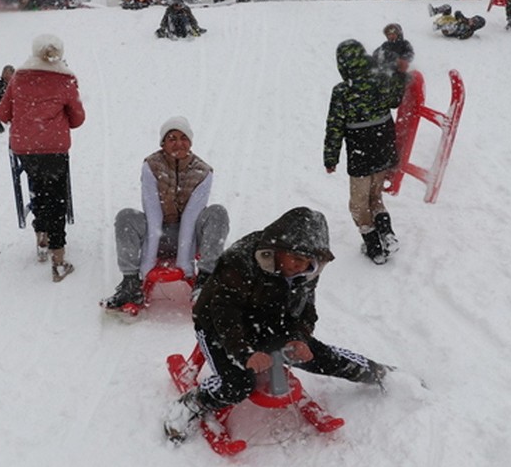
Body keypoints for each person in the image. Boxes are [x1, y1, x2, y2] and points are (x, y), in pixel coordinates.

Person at [163, 207, 389, 443]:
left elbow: (305, 311)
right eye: (297, 259)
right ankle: (193, 403)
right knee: (238, 385)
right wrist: (245, 353)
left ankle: (379, 373)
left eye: (308, 262)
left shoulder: (308, 270)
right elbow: (225, 315)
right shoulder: (240, 259)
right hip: (217, 326)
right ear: (279, 249)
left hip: (270, 323)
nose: (301, 267)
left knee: (320, 356)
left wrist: (299, 338)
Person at [100, 116, 230, 312]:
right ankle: (130, 284)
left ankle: (205, 280)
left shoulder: (203, 171)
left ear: (190, 142)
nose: (178, 143)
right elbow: (152, 211)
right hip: (158, 232)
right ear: (163, 144)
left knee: (217, 212)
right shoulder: (152, 165)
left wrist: (184, 263)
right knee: (126, 216)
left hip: (191, 234)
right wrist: (148, 263)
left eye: (183, 138)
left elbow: (191, 216)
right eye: (172, 138)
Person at [0, 34, 86, 282]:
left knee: (37, 187)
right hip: (54, 148)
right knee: (57, 197)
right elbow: (78, 118)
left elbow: (2, 113)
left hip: (25, 147)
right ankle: (58, 258)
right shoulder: (66, 81)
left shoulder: (18, 79)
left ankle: (41, 234)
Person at [323, 40, 406, 265]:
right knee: (375, 196)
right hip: (383, 145)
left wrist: (330, 158)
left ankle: (373, 246)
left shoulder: (342, 91)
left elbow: (335, 126)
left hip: (361, 151)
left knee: (358, 203)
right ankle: (387, 234)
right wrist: (398, 76)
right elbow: (395, 101)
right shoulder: (380, 79)